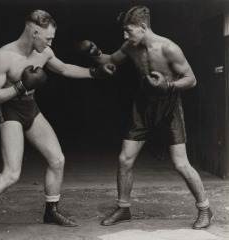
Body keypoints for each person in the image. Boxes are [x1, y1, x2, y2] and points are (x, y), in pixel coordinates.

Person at [0, 9, 115, 236]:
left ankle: (51, 211)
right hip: (9, 110)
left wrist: (96, 72)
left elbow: (65, 69)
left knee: (57, 159)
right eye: (47, 38)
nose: (50, 43)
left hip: (30, 108)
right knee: (12, 173)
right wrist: (20, 86)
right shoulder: (3, 57)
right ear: (34, 32)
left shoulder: (44, 52)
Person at [78, 6, 212, 229]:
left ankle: (205, 209)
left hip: (169, 104)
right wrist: (94, 53)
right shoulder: (130, 46)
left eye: (128, 31)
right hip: (143, 105)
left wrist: (167, 86)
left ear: (143, 27)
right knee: (124, 159)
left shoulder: (169, 48)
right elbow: (112, 59)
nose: (125, 36)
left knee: (180, 163)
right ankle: (123, 208)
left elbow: (191, 79)